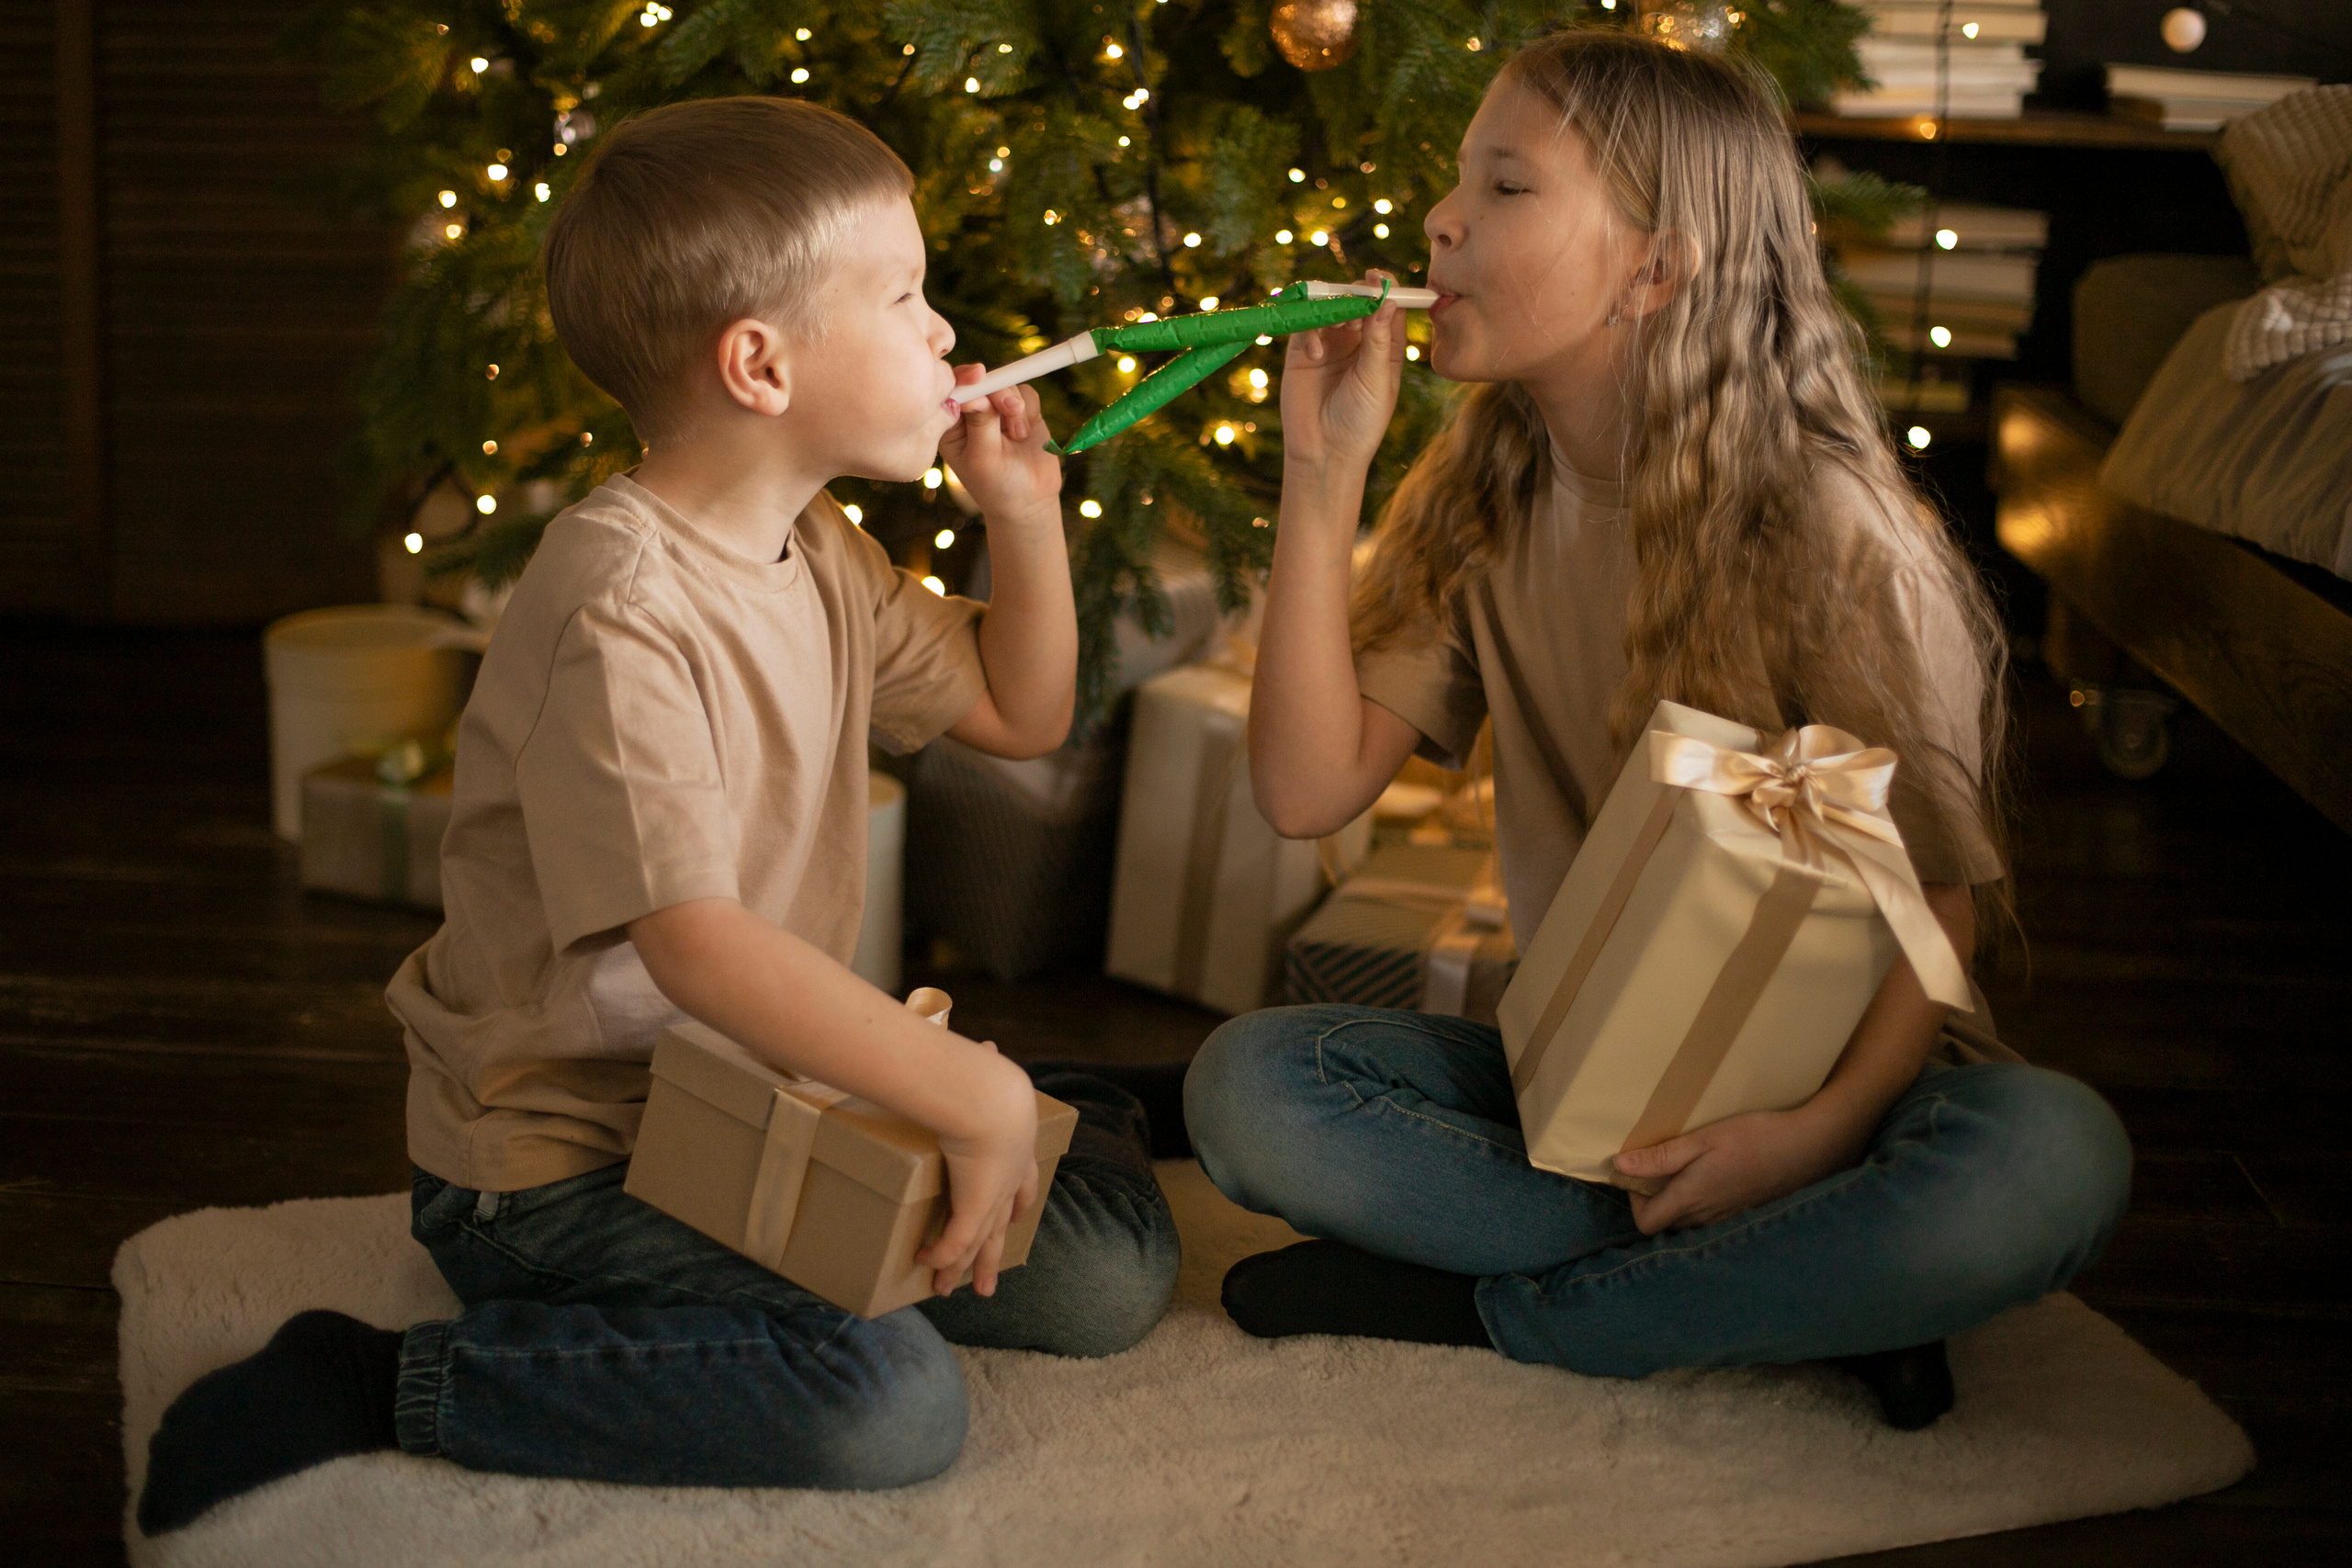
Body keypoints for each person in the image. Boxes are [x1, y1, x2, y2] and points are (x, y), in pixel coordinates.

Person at [139, 96, 1178, 1535]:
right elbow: (693, 948)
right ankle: (388, 1381)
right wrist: (980, 1097)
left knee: (1116, 1271)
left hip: (755, 1105)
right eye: (904, 295)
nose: (946, 332)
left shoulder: (817, 544)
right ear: (758, 364)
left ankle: (1062, 1105)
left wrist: (1022, 511)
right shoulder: (618, 607)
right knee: (886, 1401)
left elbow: (1020, 713)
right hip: (563, 1169)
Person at [1183, 28, 2131, 1430]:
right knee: (1247, 1089)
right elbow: (1305, 789)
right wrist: (1321, 479)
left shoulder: (1834, 530)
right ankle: (1794, 1301)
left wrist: (1809, 1141)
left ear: (1656, 267)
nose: (1442, 218)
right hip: (1584, 1089)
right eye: (1460, 183)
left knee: (2053, 1161)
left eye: (1506, 188)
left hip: (1848, 1102)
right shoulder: (1487, 492)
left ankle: (1505, 1310)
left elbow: (1930, 907)